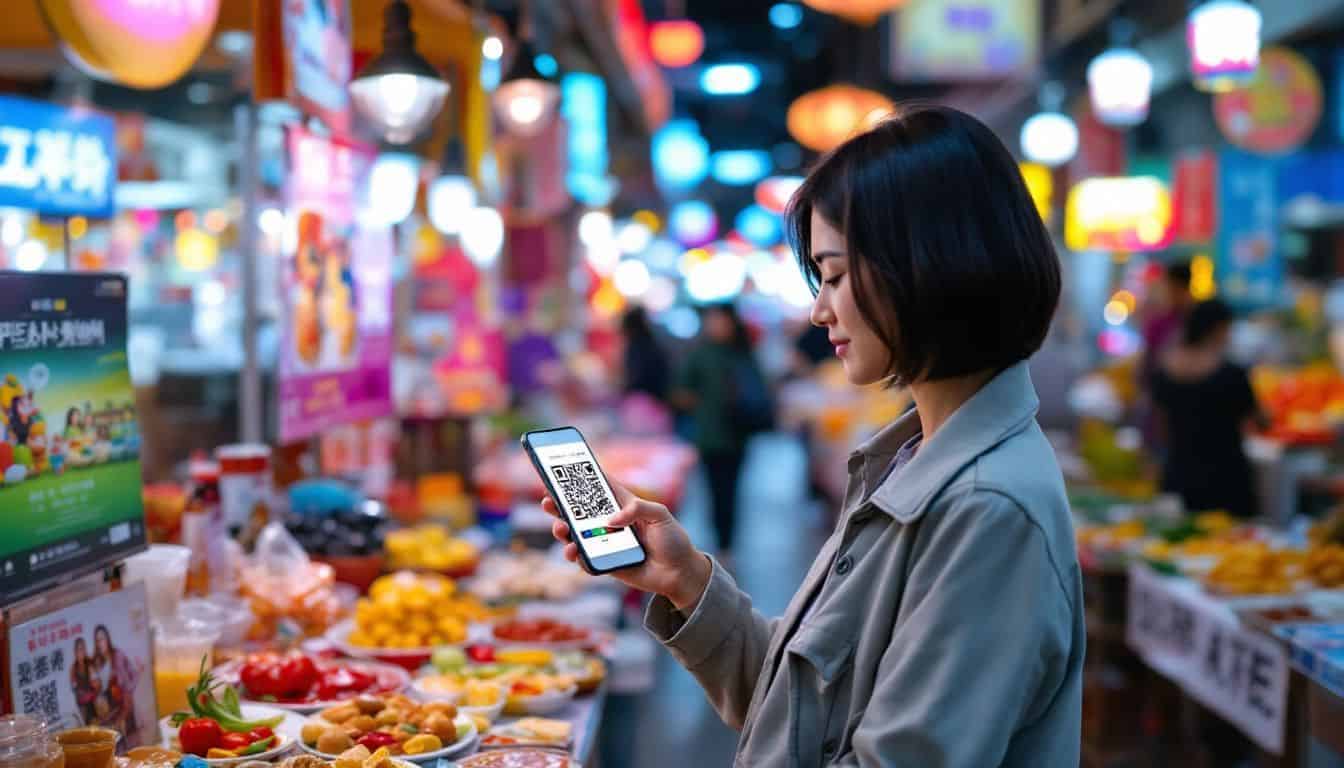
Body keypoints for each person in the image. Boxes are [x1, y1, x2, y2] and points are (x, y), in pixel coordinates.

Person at [544, 105, 1082, 765]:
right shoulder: (912, 462)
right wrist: (686, 581)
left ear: (926, 265)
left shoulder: (988, 508)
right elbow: (800, 718)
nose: (818, 308)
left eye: (833, 274)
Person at [671, 303, 770, 558]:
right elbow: (680, 392)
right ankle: (722, 542)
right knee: (716, 491)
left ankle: (727, 543)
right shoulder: (701, 354)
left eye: (720, 320)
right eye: (712, 320)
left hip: (738, 435)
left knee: (732, 490)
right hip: (710, 438)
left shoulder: (742, 352)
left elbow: (761, 388)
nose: (716, 325)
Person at [1152, 299, 1264, 518]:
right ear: (1219, 328)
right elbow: (1257, 420)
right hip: (1225, 478)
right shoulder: (1231, 374)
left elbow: (1161, 425)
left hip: (1178, 473)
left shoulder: (1165, 368)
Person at [92, 624, 141, 742]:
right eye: (97, 640)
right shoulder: (96, 662)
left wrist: (128, 691)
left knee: (132, 742)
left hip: (125, 707)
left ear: (107, 639)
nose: (100, 643)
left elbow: (134, 674)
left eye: (102, 639)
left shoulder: (118, 655)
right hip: (109, 711)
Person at [619, 307, 671, 403]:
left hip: (646, 401)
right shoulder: (653, 343)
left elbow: (637, 377)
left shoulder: (637, 347)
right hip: (659, 399)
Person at [69, 637, 99, 725]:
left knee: (96, 718)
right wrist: (80, 692)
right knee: (87, 722)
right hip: (82, 701)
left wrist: (94, 690)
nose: (81, 652)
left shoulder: (89, 664)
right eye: (78, 649)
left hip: (93, 698)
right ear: (75, 652)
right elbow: (73, 687)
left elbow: (96, 682)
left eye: (83, 649)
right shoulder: (73, 668)